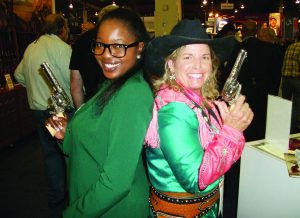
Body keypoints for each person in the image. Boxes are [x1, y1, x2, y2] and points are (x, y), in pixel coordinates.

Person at [46, 8, 153, 217]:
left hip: (113, 209)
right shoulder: (110, 84)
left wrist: (72, 214)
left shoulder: (133, 93)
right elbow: (96, 144)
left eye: (118, 46)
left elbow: (116, 183)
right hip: (93, 201)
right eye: (100, 45)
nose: (105, 54)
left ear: (139, 48)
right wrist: (66, 134)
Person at [144, 19, 253, 218]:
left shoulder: (197, 100)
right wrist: (231, 131)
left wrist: (230, 127)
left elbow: (221, 157)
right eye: (187, 57)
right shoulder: (174, 110)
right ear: (171, 65)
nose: (198, 65)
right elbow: (196, 180)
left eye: (205, 57)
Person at [14, 14, 72, 217]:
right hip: (59, 111)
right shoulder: (61, 48)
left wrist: (35, 88)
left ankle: (56, 195)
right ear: (62, 28)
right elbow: (72, 77)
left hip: (38, 110)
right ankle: (72, 196)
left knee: (50, 154)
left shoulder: (31, 47)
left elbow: (18, 74)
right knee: (68, 152)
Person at [69, 4, 119, 109]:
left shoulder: (80, 42)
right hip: (118, 104)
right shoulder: (121, 42)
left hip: (91, 105)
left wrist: (81, 113)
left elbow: (75, 86)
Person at [281, 40, 300, 134]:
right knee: (296, 107)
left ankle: (283, 126)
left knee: (285, 105)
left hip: (285, 79)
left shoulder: (291, 46)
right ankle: (291, 131)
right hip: (297, 80)